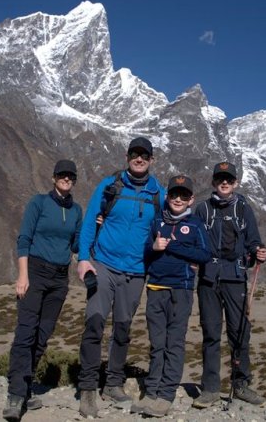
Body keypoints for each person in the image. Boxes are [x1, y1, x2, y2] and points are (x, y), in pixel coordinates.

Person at [75, 137, 166, 418]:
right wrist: (82, 259)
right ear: (127, 156)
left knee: (123, 330)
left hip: (137, 271)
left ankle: (113, 383)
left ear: (152, 160)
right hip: (103, 265)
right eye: (135, 154)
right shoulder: (110, 185)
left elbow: (165, 228)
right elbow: (91, 220)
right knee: (94, 322)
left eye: (145, 155)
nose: (139, 159)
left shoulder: (158, 193)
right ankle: (88, 387)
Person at [3, 160, 83, 421]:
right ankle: (15, 395)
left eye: (70, 176)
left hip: (60, 279)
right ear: (53, 178)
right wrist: (22, 274)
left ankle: (25, 387)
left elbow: (76, 244)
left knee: (42, 335)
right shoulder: (38, 203)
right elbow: (24, 237)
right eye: (62, 175)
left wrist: (100, 224)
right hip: (35, 272)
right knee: (26, 332)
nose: (66, 179)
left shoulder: (76, 210)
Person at [131, 175, 211, 418]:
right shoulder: (157, 222)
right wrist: (153, 248)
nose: (178, 199)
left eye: (184, 195)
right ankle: (151, 391)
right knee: (157, 343)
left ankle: (166, 395)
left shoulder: (196, 225)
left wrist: (174, 247)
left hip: (182, 290)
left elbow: (205, 254)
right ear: (167, 197)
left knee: (174, 343)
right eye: (174, 194)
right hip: (155, 288)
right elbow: (145, 250)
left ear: (191, 200)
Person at [192, 162, 266, 408]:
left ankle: (241, 385)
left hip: (236, 278)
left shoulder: (243, 208)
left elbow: (253, 240)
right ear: (214, 182)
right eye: (220, 179)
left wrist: (260, 252)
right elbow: (194, 240)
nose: (224, 183)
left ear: (235, 182)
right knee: (211, 334)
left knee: (239, 334)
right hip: (208, 279)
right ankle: (211, 389)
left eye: (228, 179)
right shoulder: (202, 209)